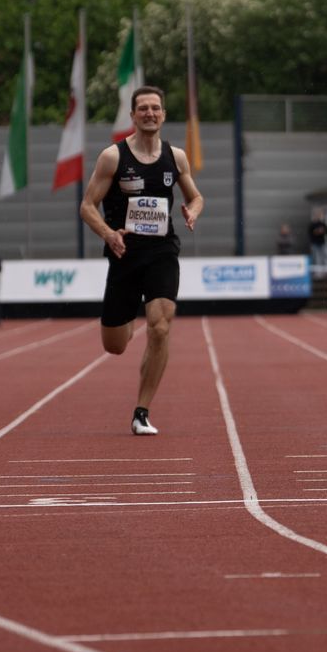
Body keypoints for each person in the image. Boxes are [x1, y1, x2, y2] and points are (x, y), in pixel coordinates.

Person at [81, 84, 204, 436]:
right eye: (143, 108)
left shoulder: (176, 157)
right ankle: (130, 315)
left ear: (163, 114)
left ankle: (142, 411)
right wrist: (109, 234)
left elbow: (196, 197)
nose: (150, 113)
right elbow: (87, 206)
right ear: (133, 115)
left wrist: (192, 211)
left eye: (155, 108)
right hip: (124, 254)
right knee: (115, 346)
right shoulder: (113, 157)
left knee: (161, 326)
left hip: (162, 251)